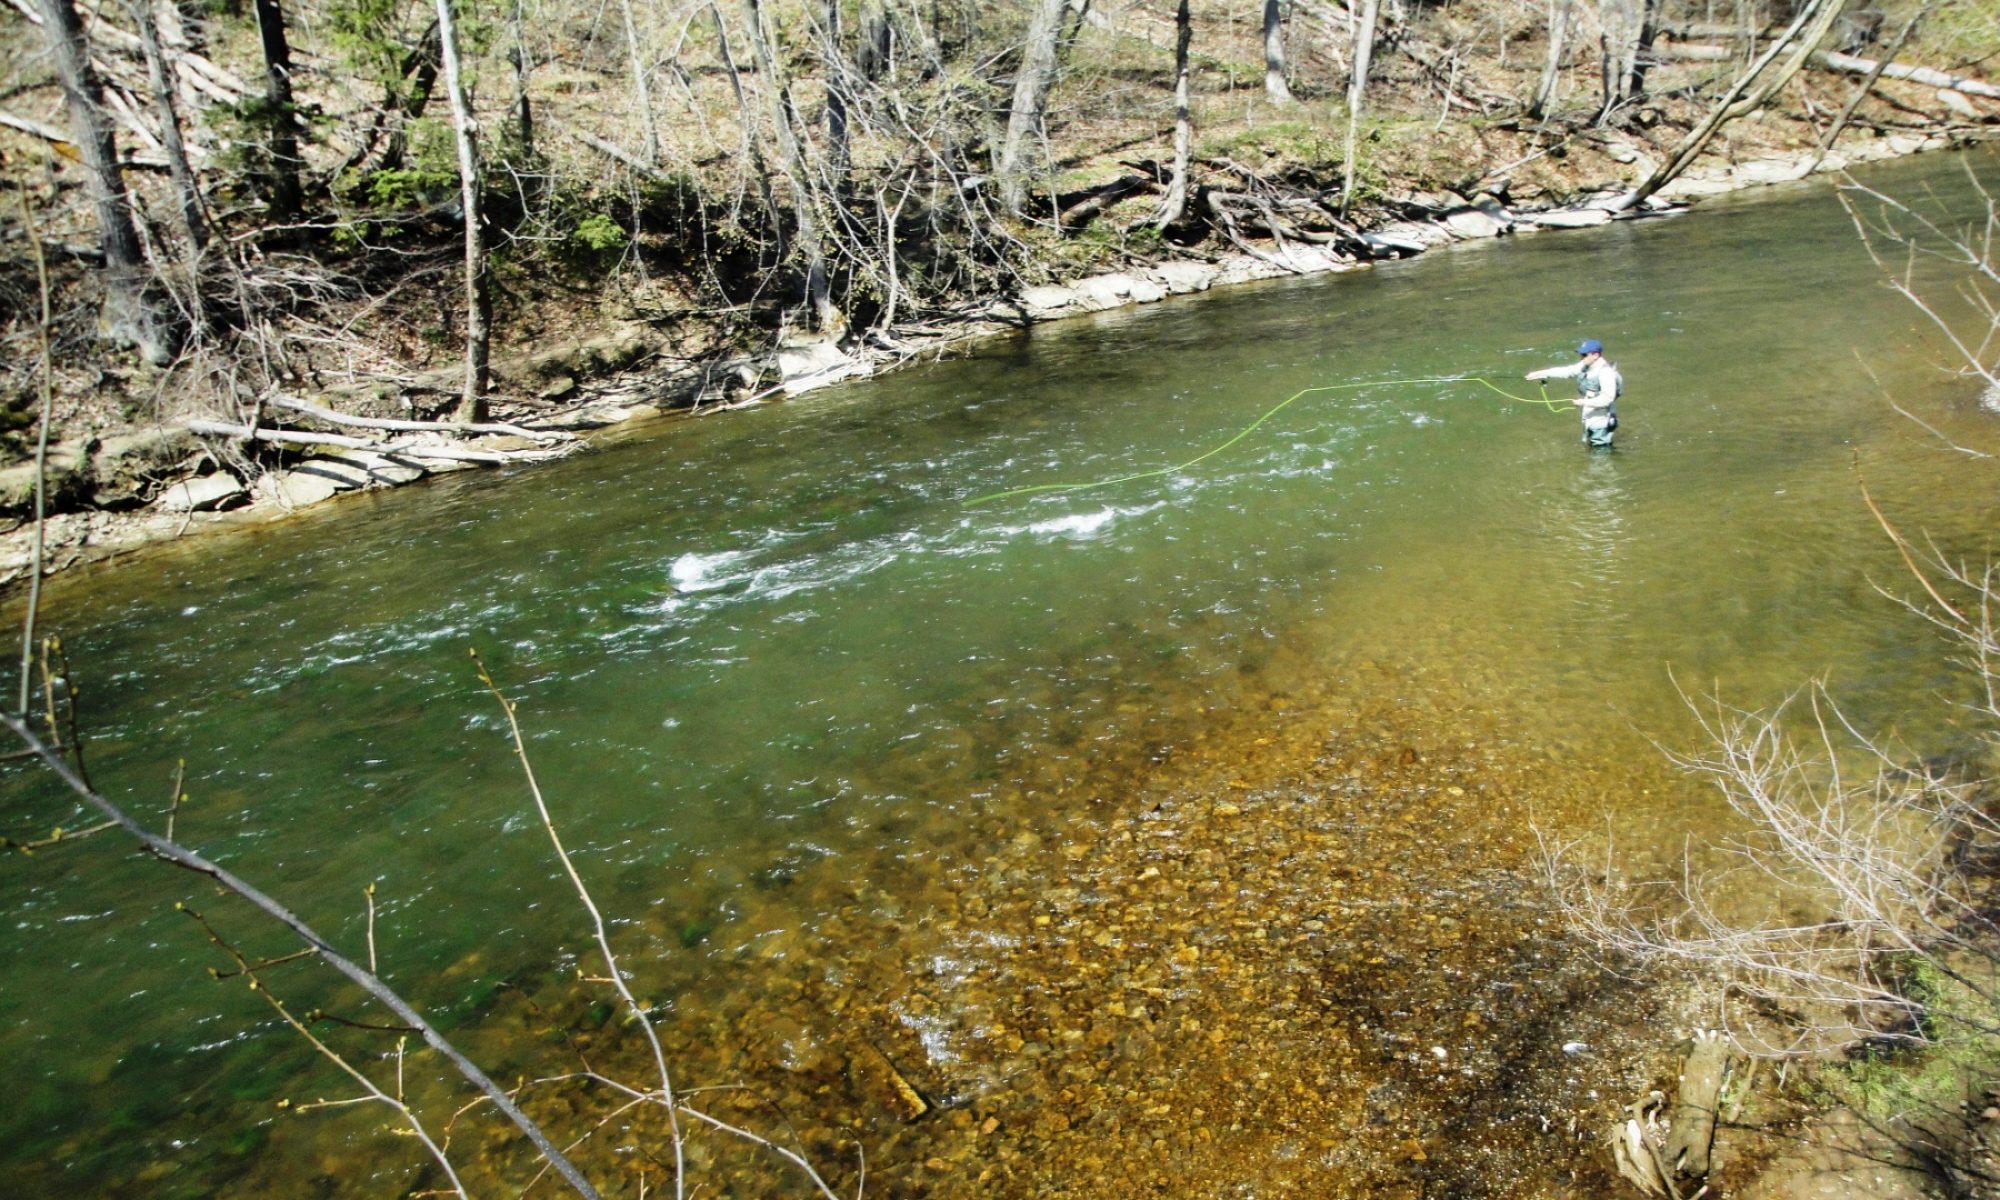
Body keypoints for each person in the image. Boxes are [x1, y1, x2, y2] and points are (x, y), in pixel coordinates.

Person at [1527, 339, 1622, 448]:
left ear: (1596, 355)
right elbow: (1567, 371)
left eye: (1584, 355)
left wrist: (1583, 402)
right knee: (1593, 450)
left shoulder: (1606, 372)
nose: (1581, 358)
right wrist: (1540, 373)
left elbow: (1607, 399)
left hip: (1601, 421)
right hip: (1590, 417)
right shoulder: (1586, 365)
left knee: (1601, 452)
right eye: (1581, 354)